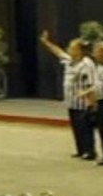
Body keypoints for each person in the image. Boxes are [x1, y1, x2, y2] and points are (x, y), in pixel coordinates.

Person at [40, 30, 98, 161]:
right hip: (71, 101)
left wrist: (92, 101)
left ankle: (90, 151)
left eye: (72, 48)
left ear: (80, 50)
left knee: (85, 128)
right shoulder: (69, 61)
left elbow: (93, 83)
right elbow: (57, 52)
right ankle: (81, 149)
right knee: (76, 127)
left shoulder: (87, 64)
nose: (69, 50)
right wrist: (46, 42)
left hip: (84, 102)